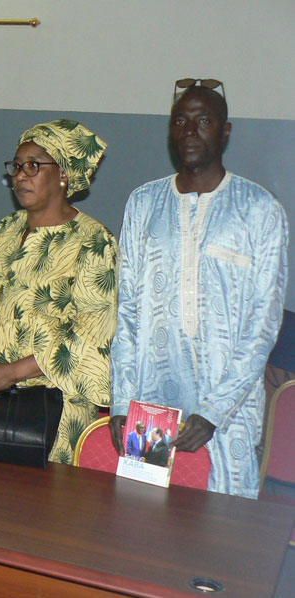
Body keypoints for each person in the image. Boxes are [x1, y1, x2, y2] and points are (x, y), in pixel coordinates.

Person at [110, 81, 288, 498]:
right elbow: (128, 314)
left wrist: (213, 411)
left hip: (228, 412)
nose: (189, 131)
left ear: (225, 132)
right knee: (142, 514)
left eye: (203, 121)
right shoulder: (144, 203)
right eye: (180, 122)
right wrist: (122, 401)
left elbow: (262, 326)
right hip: (150, 404)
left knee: (224, 523)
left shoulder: (259, 210)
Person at [0, 120, 117, 463]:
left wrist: (13, 372)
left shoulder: (93, 241)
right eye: (16, 166)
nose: (20, 176)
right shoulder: (9, 228)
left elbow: (91, 335)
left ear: (63, 174)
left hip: (50, 408)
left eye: (33, 166)